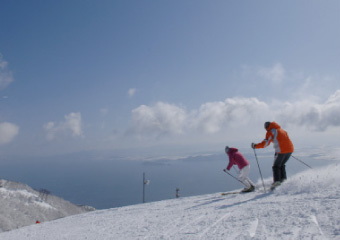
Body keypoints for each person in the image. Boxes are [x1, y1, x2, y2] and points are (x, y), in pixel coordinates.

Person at [251, 121, 294, 189]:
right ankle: (283, 180)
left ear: (267, 127)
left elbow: (265, 143)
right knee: (281, 165)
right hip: (290, 149)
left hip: (282, 151)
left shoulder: (271, 131)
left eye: (265, 127)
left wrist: (255, 146)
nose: (265, 129)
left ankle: (277, 182)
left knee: (276, 166)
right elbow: (284, 139)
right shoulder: (282, 130)